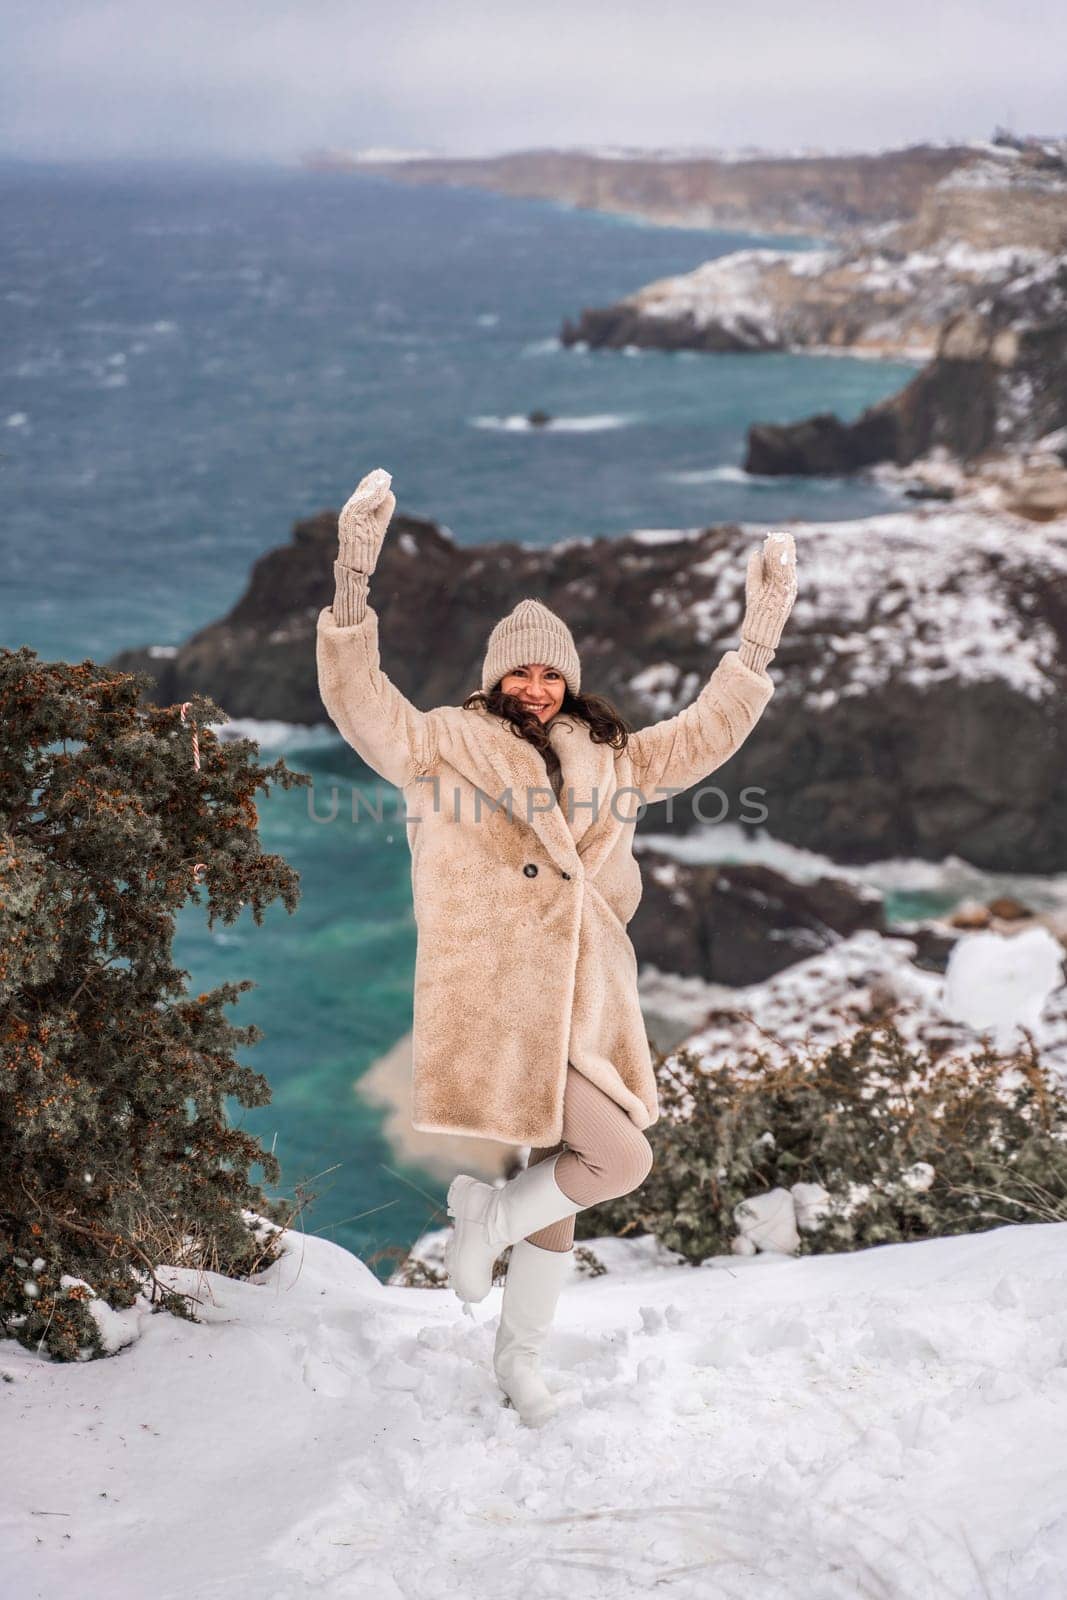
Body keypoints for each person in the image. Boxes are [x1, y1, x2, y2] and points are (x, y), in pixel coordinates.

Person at [316, 467, 797, 1426]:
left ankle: (517, 1352)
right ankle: (486, 1221)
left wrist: (760, 632)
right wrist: (351, 578)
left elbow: (707, 733)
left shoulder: (616, 753)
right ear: (492, 676)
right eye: (518, 671)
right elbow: (358, 698)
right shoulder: (439, 743)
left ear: (568, 680)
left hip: (587, 994)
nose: (534, 688)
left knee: (580, 1164)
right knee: (618, 1159)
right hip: (497, 990)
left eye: (550, 673)